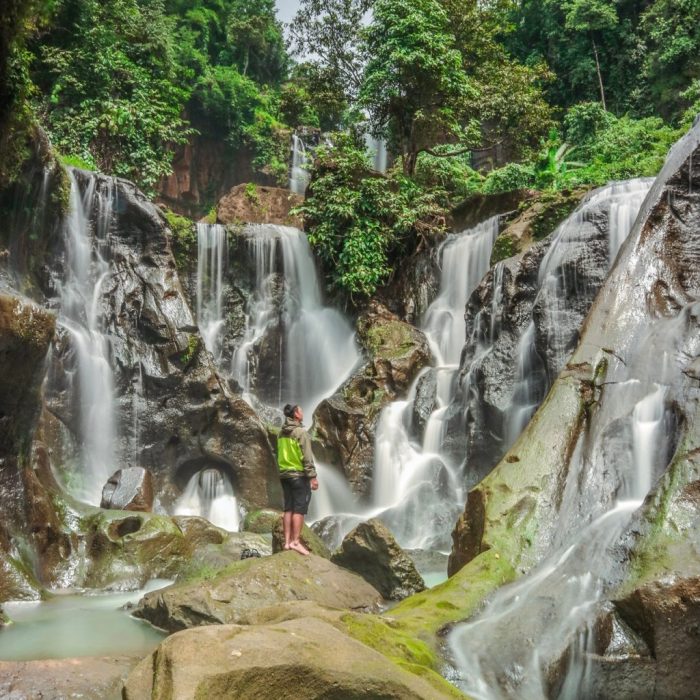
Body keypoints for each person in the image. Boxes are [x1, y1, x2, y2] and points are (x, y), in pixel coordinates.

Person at [277, 403, 319, 555]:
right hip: (298, 475)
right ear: (296, 414)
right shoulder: (300, 432)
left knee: (288, 508)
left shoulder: (281, 433)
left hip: (284, 474)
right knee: (299, 510)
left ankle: (287, 542)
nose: (303, 412)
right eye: (301, 410)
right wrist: (312, 477)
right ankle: (296, 541)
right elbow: (307, 457)